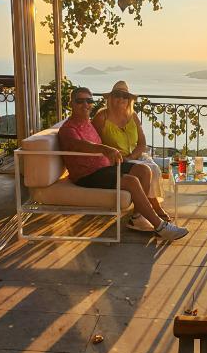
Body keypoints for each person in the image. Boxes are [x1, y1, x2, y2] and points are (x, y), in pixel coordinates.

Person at [58, 87, 188, 242]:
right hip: (87, 175)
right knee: (131, 181)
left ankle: (137, 218)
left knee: (144, 170)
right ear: (71, 103)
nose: (85, 104)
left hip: (104, 167)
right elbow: (77, 145)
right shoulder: (68, 128)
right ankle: (161, 227)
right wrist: (105, 149)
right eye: (80, 101)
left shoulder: (88, 123)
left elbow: (139, 142)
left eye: (89, 100)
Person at [93, 80, 169, 232]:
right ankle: (151, 209)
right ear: (110, 98)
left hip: (135, 155)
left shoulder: (132, 115)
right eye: (117, 95)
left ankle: (143, 211)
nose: (121, 99)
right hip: (116, 160)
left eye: (125, 96)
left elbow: (142, 143)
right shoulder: (102, 117)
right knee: (150, 170)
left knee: (154, 169)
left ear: (129, 100)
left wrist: (132, 156)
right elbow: (94, 142)